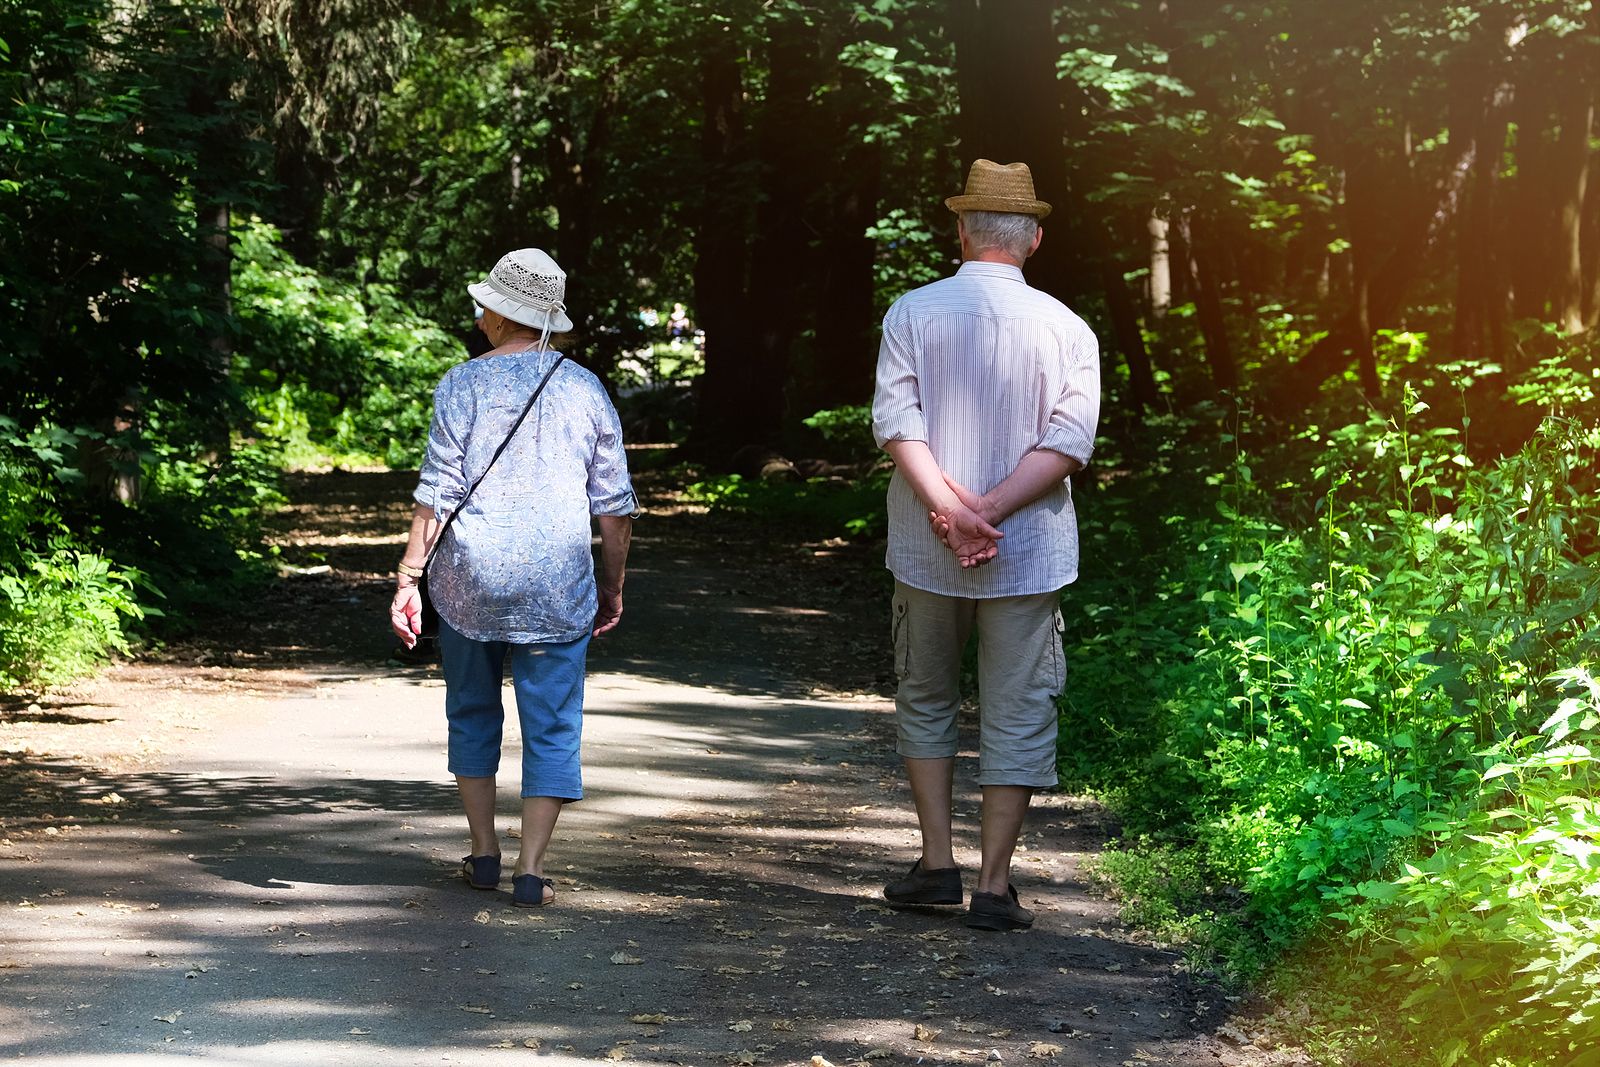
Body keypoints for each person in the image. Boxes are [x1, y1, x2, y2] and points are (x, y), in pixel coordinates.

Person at [870, 159, 1101, 932]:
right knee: (1018, 706)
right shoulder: (1070, 328)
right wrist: (993, 509)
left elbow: (897, 422)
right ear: (1033, 238)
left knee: (927, 693)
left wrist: (949, 510)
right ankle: (995, 885)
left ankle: (937, 862)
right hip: (1028, 545)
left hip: (927, 543)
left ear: (962, 229)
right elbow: (1069, 440)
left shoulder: (912, 312)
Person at [390, 248, 637, 908]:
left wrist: (409, 576)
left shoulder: (461, 384)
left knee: (471, 710)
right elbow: (613, 508)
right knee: (552, 723)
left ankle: (483, 853)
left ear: (500, 313)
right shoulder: (586, 389)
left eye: (485, 304)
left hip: (469, 579)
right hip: (559, 585)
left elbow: (436, 493)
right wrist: (612, 583)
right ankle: (531, 870)